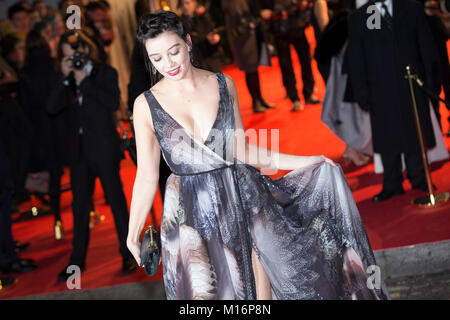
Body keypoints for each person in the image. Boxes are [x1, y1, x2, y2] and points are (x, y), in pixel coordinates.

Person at [127, 10, 389, 300]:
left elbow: (244, 151)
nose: (168, 64)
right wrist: (133, 231)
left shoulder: (222, 84)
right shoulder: (145, 106)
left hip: (242, 201)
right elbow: (147, 176)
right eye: (157, 58)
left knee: (256, 291)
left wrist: (308, 160)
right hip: (190, 213)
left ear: (188, 42)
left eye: (173, 51)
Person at [46, 30, 137, 282]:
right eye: (66, 56)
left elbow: (111, 102)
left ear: (86, 50)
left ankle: (128, 251)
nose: (72, 59)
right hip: (78, 152)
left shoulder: (105, 72)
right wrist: (66, 79)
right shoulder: (65, 79)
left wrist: (85, 80)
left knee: (116, 201)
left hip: (104, 148)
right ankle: (77, 260)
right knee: (79, 206)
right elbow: (51, 108)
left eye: (75, 54)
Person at [347, 0, 442, 202]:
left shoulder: (411, 9)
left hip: (411, 82)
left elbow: (425, 44)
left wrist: (431, 82)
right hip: (379, 88)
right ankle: (392, 182)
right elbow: (357, 58)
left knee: (414, 127)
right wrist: (362, 92)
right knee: (386, 133)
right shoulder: (361, 17)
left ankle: (418, 177)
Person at [260, 0, 321, 111]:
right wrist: (263, 12)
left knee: (306, 60)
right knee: (286, 64)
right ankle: (294, 98)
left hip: (297, 24)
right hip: (279, 28)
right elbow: (261, 9)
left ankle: (308, 93)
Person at [221, 0, 276, 113]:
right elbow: (238, 21)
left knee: (253, 70)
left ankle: (259, 99)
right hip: (243, 40)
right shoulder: (231, 3)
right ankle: (255, 102)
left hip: (250, 36)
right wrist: (256, 19)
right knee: (250, 70)